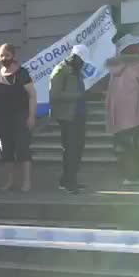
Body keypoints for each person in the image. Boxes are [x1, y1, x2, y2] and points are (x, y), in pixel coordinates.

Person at [0, 43, 38, 192]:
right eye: (1, 55)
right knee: (6, 151)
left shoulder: (22, 73)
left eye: (7, 55)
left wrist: (31, 116)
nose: (4, 58)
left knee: (22, 149)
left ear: (13, 56)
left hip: (19, 116)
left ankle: (27, 182)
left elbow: (32, 95)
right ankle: (10, 182)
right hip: (1, 118)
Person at [106, 34, 139, 186]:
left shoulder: (115, 68)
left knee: (126, 147)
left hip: (121, 116)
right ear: (130, 49)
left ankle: (130, 176)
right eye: (137, 45)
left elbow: (110, 95)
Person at [50, 44, 91, 194]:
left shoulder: (76, 70)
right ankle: (69, 182)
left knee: (78, 148)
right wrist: (77, 96)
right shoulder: (60, 70)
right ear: (74, 57)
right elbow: (54, 94)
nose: (83, 63)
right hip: (68, 117)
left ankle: (68, 179)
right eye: (81, 60)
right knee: (70, 149)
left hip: (79, 114)